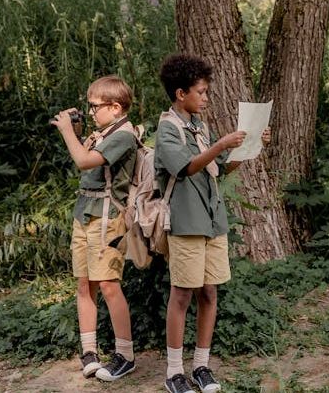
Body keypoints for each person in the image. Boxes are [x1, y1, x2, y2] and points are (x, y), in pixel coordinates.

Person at [155, 54, 271, 393]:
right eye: (201, 92)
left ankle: (202, 366)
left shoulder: (200, 127)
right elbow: (186, 167)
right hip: (187, 223)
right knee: (182, 295)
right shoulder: (167, 129)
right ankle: (174, 372)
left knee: (209, 292)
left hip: (212, 221)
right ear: (180, 93)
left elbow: (217, 167)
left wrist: (251, 147)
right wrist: (221, 144)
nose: (206, 98)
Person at [51, 75, 138, 381]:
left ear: (115, 107)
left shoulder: (123, 135)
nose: (89, 112)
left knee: (109, 284)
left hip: (108, 218)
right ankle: (89, 351)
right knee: (84, 282)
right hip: (85, 213)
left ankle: (125, 355)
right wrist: (77, 133)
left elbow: (85, 162)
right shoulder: (104, 131)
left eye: (94, 106)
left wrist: (66, 133)